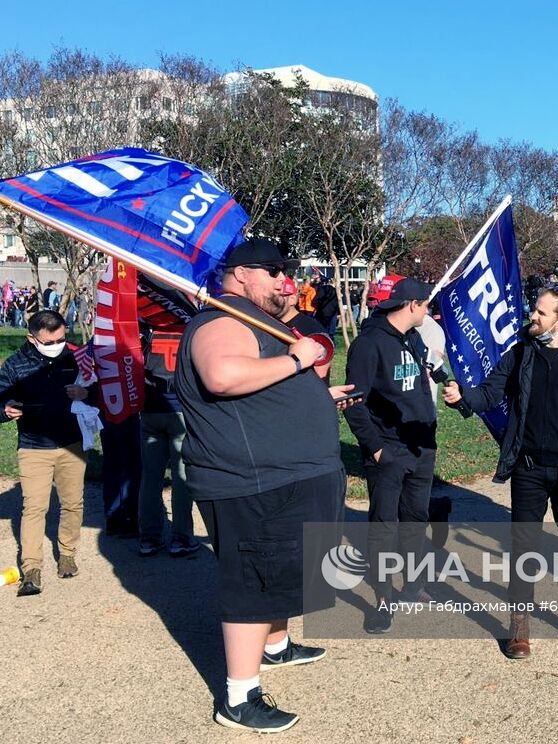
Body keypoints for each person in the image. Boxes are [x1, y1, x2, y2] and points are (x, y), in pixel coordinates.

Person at [175, 237, 355, 733]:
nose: (284, 280)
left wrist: (315, 393)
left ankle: (275, 646)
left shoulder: (256, 321)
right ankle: (239, 697)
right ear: (239, 275)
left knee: (277, 573)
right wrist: (298, 361)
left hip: (285, 477)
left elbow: (261, 383)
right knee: (253, 583)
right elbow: (223, 375)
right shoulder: (222, 319)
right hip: (252, 484)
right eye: (272, 271)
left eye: (285, 270)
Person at [444, 284, 558, 659]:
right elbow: (490, 392)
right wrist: (463, 396)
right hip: (528, 468)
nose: (532, 317)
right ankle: (519, 625)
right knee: (524, 549)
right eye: (533, 310)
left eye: (541, 312)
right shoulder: (522, 352)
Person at [343, 276, 438, 634]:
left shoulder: (413, 339)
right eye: (425, 304)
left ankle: (413, 585)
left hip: (421, 446)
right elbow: (353, 404)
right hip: (389, 451)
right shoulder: (369, 345)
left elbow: (420, 381)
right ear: (412, 305)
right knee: (384, 527)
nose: (428, 310)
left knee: (415, 520)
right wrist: (378, 448)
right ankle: (382, 599)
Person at [0, 310, 94, 596]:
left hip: (71, 444)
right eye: (50, 342)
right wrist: (4, 409)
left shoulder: (75, 359)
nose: (58, 344)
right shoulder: (14, 365)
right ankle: (32, 567)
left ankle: (68, 554)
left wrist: (87, 394)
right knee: (34, 508)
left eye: (62, 338)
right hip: (34, 447)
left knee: (73, 503)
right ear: (31, 339)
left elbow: (97, 390)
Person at [136, 321, 200, 558]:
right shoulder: (189, 324)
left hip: (151, 406)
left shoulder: (147, 328)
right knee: (182, 477)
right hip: (180, 407)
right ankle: (181, 537)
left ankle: (149, 537)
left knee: (150, 477)